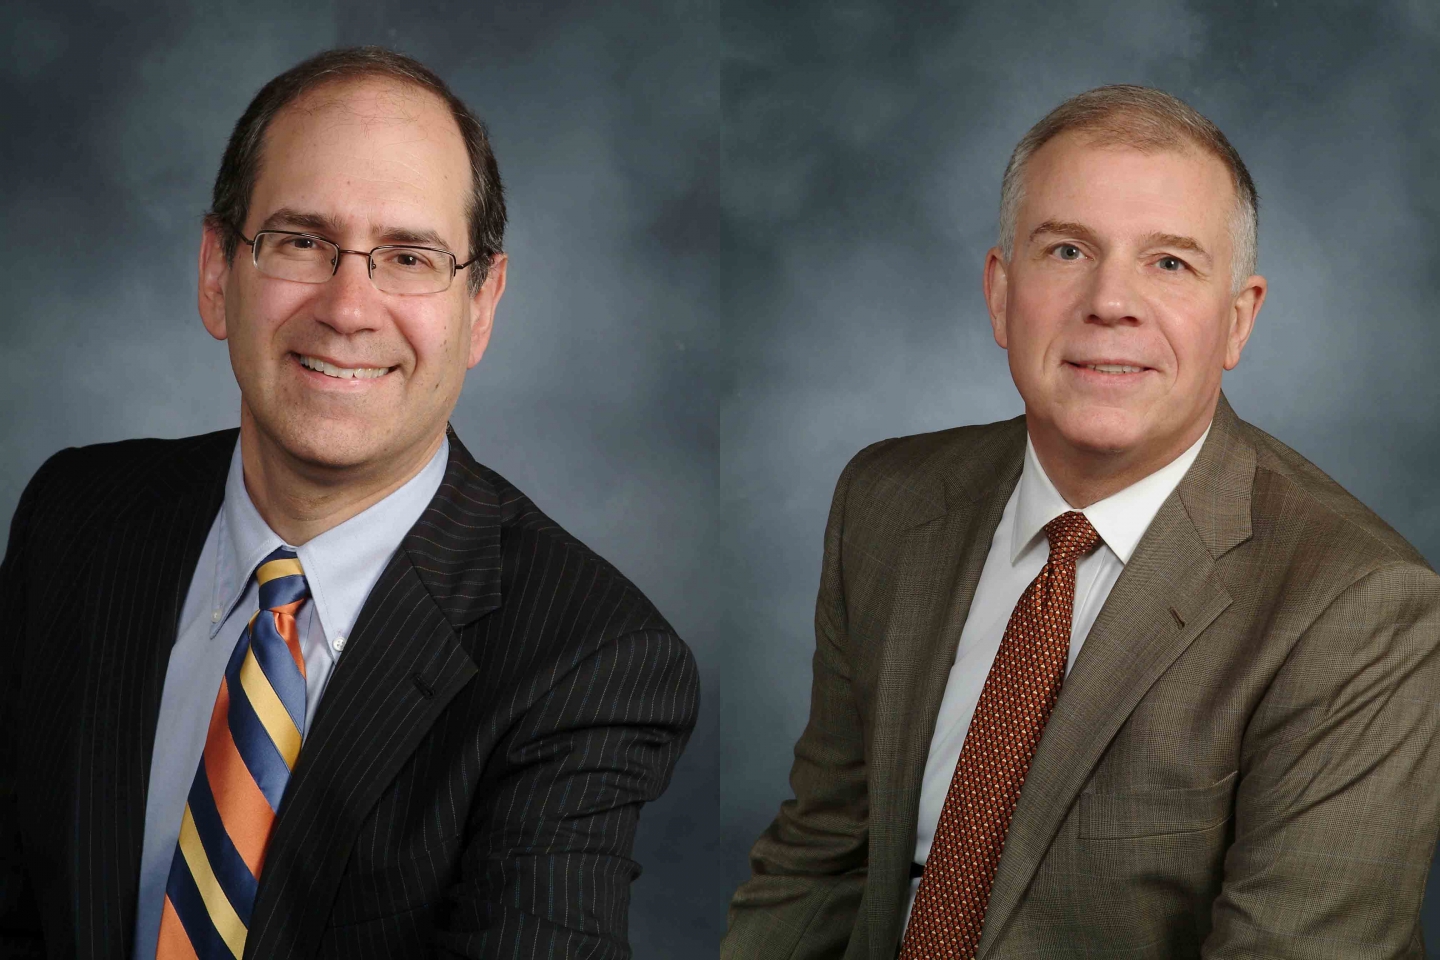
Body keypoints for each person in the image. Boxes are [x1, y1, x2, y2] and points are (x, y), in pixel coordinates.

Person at [0, 47, 698, 960]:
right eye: (300, 241)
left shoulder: (591, 663)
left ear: (481, 303)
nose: (348, 307)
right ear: (219, 272)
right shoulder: (75, 517)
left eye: (409, 256)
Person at [724, 84, 1440, 958]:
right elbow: (817, 864)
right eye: (1067, 250)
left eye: (1170, 263)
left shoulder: (1361, 607)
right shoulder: (887, 501)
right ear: (1000, 292)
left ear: (1238, 321)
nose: (1111, 302)